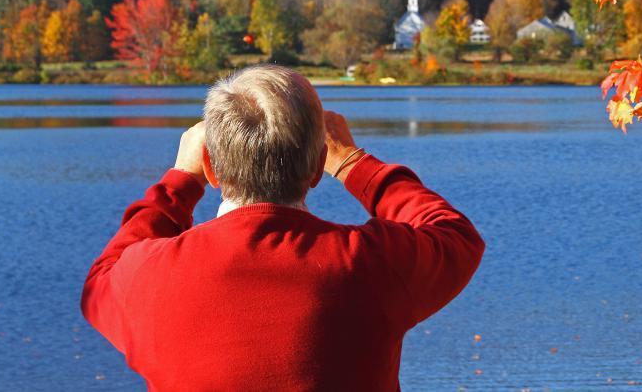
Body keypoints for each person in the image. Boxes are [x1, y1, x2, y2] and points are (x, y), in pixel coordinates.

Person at [81, 64, 484, 391]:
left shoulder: (150, 278)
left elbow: (100, 283)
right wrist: (353, 164)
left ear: (211, 167)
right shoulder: (367, 263)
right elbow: (455, 236)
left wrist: (180, 181)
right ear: (316, 169)